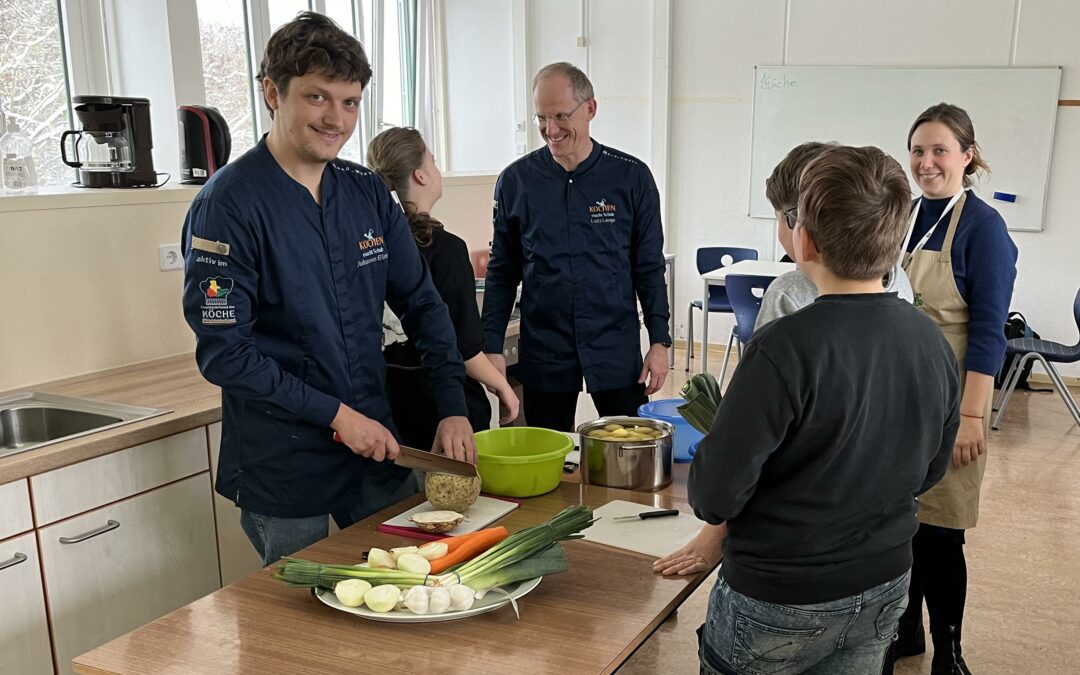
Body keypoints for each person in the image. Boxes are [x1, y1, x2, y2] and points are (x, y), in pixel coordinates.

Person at [180, 13, 475, 567]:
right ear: (272, 92)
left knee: (411, 580)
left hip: (375, 447)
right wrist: (337, 415)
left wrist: (451, 406)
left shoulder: (365, 193)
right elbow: (226, 353)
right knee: (303, 629)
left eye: (350, 102)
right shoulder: (228, 206)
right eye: (317, 98)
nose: (336, 119)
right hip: (284, 461)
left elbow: (423, 303)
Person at [688, 145, 960, 674]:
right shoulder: (930, 340)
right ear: (896, 238)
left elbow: (715, 495)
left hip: (780, 592)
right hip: (884, 582)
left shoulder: (782, 348)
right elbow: (930, 469)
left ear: (804, 239)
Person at [651, 140, 917, 578]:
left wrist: (715, 528)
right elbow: (926, 465)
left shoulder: (787, 313)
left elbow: (741, 461)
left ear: (801, 229)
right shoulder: (917, 320)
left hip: (788, 564)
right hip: (879, 559)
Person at [893, 103, 1018, 675]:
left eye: (939, 150)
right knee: (901, 527)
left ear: (967, 156)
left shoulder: (984, 229)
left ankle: (950, 653)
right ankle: (906, 633)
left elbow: (991, 332)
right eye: (918, 150)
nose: (926, 162)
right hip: (898, 400)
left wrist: (971, 418)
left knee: (941, 535)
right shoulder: (904, 215)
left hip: (951, 405)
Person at [481, 62, 671, 432]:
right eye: (541, 117)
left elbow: (648, 266)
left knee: (627, 452)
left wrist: (660, 341)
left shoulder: (631, 177)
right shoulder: (516, 182)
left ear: (590, 109)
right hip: (546, 349)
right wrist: (492, 345)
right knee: (548, 459)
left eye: (560, 116)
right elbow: (502, 272)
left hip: (614, 345)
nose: (550, 130)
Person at [366, 127, 520, 448]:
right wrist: (502, 386)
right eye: (433, 161)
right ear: (421, 175)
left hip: (387, 413)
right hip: (445, 414)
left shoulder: (367, 248)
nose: (437, 170)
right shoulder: (445, 249)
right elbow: (462, 348)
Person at [755, 141, 914, 329]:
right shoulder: (900, 280)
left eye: (778, 218)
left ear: (798, 224)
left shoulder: (786, 293)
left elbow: (764, 354)